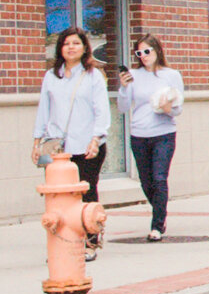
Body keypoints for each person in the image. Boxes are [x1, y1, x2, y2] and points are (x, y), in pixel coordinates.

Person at [33, 27, 111, 237]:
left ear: (85, 47)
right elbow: (44, 109)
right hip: (57, 149)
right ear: (60, 49)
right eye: (66, 43)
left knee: (85, 194)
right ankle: (63, 241)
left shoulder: (93, 75)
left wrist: (96, 139)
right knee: (58, 196)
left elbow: (101, 110)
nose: (71, 47)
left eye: (75, 43)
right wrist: (37, 141)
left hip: (86, 146)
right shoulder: (51, 76)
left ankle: (90, 238)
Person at [118, 35, 185, 241]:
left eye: (147, 51)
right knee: (146, 182)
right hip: (139, 134)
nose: (144, 56)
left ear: (157, 51)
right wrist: (123, 87)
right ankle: (160, 210)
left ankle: (157, 225)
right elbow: (122, 107)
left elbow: (178, 109)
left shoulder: (171, 75)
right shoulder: (133, 75)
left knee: (159, 178)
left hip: (163, 133)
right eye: (140, 53)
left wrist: (168, 109)